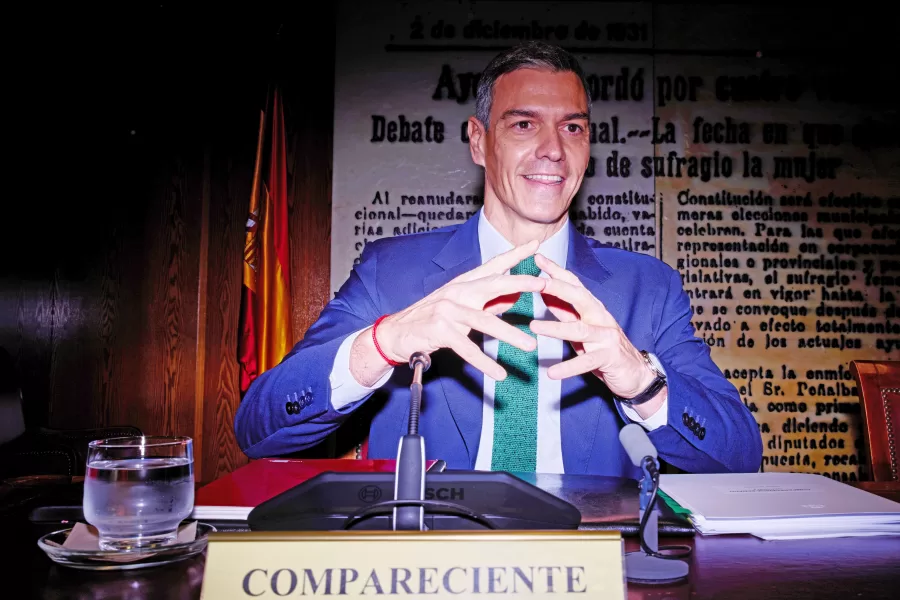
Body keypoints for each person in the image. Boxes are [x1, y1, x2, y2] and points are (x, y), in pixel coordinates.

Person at [234, 41, 762, 476]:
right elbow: (257, 428)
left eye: (573, 127)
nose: (554, 149)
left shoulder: (649, 287)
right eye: (524, 124)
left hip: (587, 561)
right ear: (479, 141)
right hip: (433, 562)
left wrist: (641, 381)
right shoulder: (390, 273)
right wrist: (385, 341)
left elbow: (741, 460)